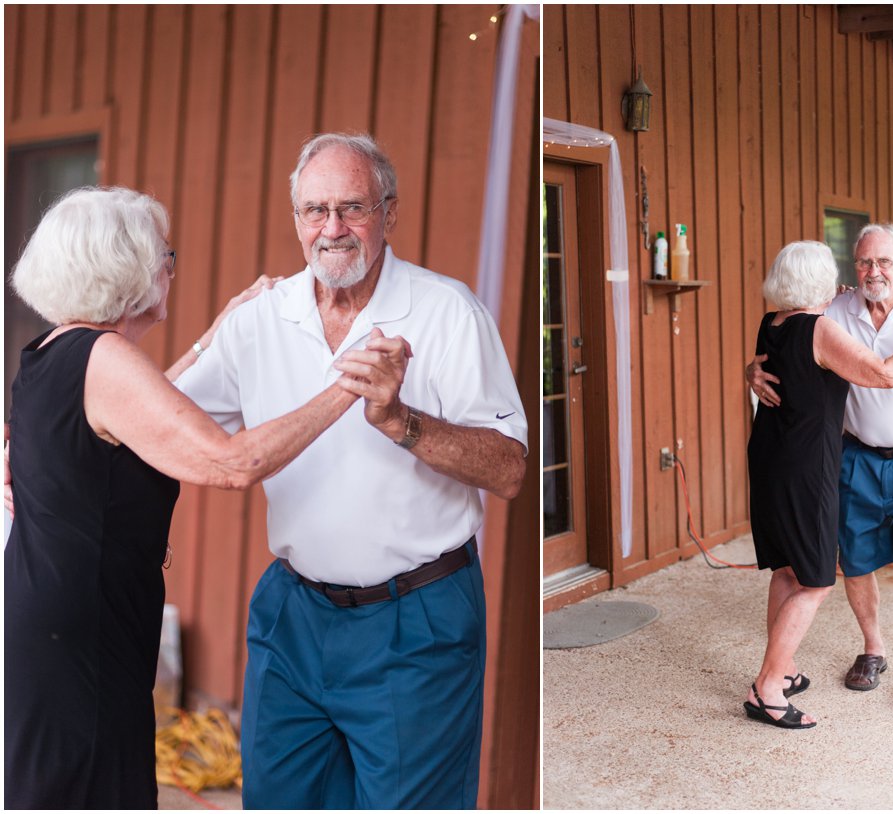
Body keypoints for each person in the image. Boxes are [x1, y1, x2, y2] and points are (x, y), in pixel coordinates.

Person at [168, 133, 528, 808]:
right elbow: (162, 419)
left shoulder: (447, 312)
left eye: (352, 208)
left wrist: (403, 422)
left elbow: (509, 469)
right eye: (315, 211)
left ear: (389, 213)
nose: (332, 229)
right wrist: (210, 333)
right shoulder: (259, 321)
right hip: (294, 614)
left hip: (416, 619)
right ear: (296, 220)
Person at [4, 187, 375, 809]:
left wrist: (215, 332)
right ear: (124, 269)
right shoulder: (105, 357)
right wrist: (350, 386)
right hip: (81, 632)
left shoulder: (50, 354)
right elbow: (233, 462)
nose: (169, 270)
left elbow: (139, 416)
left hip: (52, 616)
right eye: (164, 256)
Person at [748, 223, 893, 716]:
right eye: (865, 262)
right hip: (854, 457)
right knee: (854, 560)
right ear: (852, 268)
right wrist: (753, 369)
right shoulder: (834, 307)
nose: (874, 272)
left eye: (884, 262)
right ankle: (873, 649)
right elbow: (790, 336)